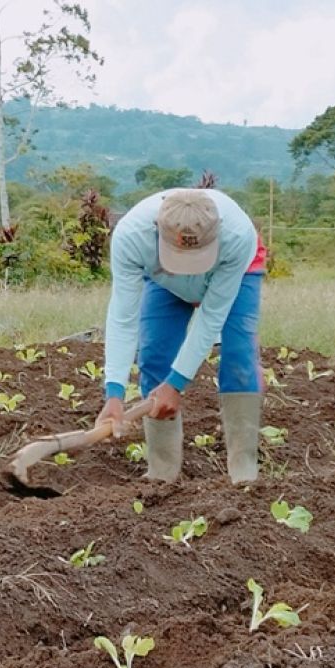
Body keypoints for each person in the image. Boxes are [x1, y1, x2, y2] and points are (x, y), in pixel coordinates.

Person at [96, 187, 266, 484]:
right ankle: (161, 475)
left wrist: (176, 384)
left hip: (236, 273)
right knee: (154, 355)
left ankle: (244, 475)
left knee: (238, 357)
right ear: (157, 232)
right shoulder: (131, 236)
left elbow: (211, 318)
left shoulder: (237, 236)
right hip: (162, 279)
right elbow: (123, 318)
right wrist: (114, 393)